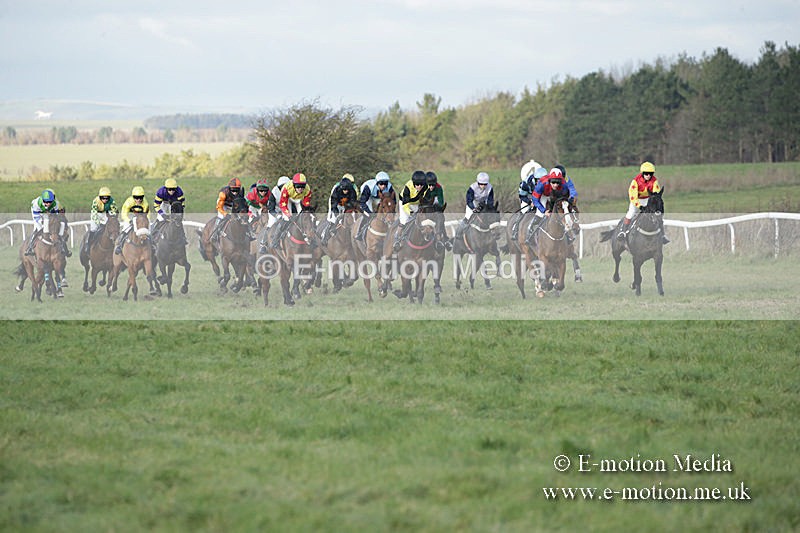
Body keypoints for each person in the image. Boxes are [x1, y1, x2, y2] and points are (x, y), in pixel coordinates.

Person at [617, 162, 669, 244]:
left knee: (656, 215)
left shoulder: (654, 181)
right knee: (630, 213)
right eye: (646, 173)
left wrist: (655, 203)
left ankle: (662, 235)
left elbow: (655, 192)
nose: (649, 175)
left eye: (651, 174)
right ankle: (622, 232)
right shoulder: (635, 181)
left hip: (648, 199)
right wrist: (640, 206)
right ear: (642, 173)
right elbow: (633, 196)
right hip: (636, 199)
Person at [268, 172, 312, 249]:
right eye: (298, 187)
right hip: (281, 206)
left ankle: (311, 239)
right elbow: (280, 205)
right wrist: (285, 214)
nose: (300, 189)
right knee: (282, 220)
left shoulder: (305, 189)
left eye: (302, 186)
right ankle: (275, 241)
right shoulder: (279, 191)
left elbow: (304, 203)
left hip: (293, 202)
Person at [526, 168, 571, 242]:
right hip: (543, 195)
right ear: (549, 180)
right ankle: (530, 231)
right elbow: (535, 199)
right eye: (553, 182)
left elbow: (566, 195)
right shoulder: (542, 184)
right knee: (540, 213)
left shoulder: (564, 184)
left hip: (556, 195)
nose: (556, 185)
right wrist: (544, 211)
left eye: (558, 182)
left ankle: (567, 234)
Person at [25, 188, 68, 257]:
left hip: (49, 214)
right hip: (38, 213)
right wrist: (41, 222)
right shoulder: (37, 203)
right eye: (46, 202)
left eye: (49, 202)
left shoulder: (55, 204)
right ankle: (30, 247)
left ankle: (63, 247)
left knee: (58, 226)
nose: (48, 203)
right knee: (38, 228)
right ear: (43, 200)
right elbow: (36, 216)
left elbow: (56, 215)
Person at [392, 170, 427, 251]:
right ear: (414, 183)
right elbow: (405, 204)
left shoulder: (426, 187)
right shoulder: (408, 187)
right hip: (405, 203)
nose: (420, 186)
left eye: (421, 184)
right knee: (404, 221)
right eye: (417, 184)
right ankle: (397, 240)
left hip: (416, 203)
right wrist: (410, 212)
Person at [355, 171, 394, 242]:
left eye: (385, 184)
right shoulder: (368, 187)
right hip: (368, 197)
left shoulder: (390, 187)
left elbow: (392, 200)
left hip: (379, 197)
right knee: (367, 215)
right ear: (377, 183)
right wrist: (369, 213)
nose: (383, 186)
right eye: (381, 184)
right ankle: (359, 233)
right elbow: (363, 203)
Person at [454, 172, 495, 240]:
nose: (483, 186)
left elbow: (490, 200)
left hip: (483, 205)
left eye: (485, 184)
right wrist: (473, 208)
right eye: (481, 184)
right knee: (467, 218)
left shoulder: (490, 188)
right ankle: (458, 233)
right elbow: (469, 200)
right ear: (478, 182)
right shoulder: (472, 187)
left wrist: (488, 208)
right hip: (473, 204)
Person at [322, 174, 358, 245]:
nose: (345, 191)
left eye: (347, 190)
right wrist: (336, 213)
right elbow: (333, 203)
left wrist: (348, 209)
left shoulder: (353, 190)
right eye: (344, 190)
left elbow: (353, 201)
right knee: (333, 218)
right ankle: (326, 235)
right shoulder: (336, 189)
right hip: (336, 203)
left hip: (346, 204)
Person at [258, 176, 290, 253]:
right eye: (282, 186)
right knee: (270, 224)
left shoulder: (292, 191)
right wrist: (277, 215)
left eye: (286, 186)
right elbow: (271, 208)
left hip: (287, 211)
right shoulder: (274, 192)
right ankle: (263, 244)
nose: (283, 188)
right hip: (275, 211)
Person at [115, 186, 150, 254]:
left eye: (141, 197)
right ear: (133, 197)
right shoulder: (129, 202)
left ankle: (153, 245)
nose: (139, 199)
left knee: (148, 230)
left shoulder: (145, 202)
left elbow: (148, 213)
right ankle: (119, 245)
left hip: (140, 217)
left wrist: (146, 220)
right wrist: (128, 220)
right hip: (130, 216)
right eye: (136, 197)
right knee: (125, 229)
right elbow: (124, 213)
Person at [420, 171, 450, 250]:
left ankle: (445, 238)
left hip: (434, 206)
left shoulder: (439, 187)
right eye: (430, 185)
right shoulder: (422, 188)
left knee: (440, 217)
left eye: (433, 185)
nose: (432, 187)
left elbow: (441, 201)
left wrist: (438, 207)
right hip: (423, 205)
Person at [83, 186, 118, 255]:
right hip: (97, 214)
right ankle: (88, 245)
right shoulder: (95, 201)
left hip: (106, 213)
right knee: (94, 229)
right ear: (100, 197)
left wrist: (111, 220)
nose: (105, 199)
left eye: (107, 198)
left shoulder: (112, 201)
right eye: (103, 198)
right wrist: (98, 223)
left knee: (112, 226)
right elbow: (94, 214)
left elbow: (114, 211)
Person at [210, 177, 246, 244]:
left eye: (237, 190)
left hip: (233, 203)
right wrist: (225, 214)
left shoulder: (241, 193)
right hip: (223, 203)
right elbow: (219, 207)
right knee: (221, 217)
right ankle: (214, 234)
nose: (235, 192)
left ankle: (248, 232)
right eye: (233, 190)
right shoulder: (223, 194)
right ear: (229, 188)